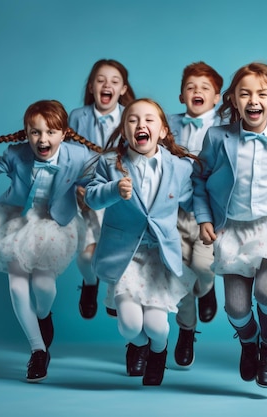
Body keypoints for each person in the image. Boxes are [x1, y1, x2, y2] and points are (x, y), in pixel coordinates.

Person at [192, 62, 267, 388]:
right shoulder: (218, 138)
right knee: (235, 308)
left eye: (261, 94)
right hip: (233, 229)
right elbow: (199, 180)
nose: (253, 100)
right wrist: (204, 218)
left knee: (265, 291)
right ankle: (249, 342)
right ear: (233, 99)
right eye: (244, 93)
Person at [0, 100, 100, 382]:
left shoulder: (78, 156)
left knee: (43, 288)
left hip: (53, 225)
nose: (43, 139)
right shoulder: (17, 153)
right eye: (35, 133)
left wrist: (96, 191)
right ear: (27, 134)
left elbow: (95, 183)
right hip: (17, 221)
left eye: (51, 132)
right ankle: (38, 351)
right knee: (17, 287)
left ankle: (43, 315)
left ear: (64, 133)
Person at [84, 98, 198, 386]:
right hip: (125, 256)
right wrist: (113, 189)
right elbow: (92, 196)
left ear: (162, 131)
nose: (141, 124)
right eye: (133, 120)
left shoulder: (179, 167)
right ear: (124, 130)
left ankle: (158, 353)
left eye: (149, 119)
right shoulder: (110, 163)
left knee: (157, 326)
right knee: (130, 325)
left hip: (159, 256)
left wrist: (211, 224)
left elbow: (194, 202)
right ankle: (138, 345)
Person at [69, 59, 136, 319]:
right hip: (87, 197)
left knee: (121, 252)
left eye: (114, 81)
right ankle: (90, 283)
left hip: (120, 196)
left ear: (122, 89)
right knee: (87, 258)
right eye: (100, 80)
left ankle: (113, 296)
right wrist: (76, 187)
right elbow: (68, 157)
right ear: (91, 86)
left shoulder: (132, 116)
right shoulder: (77, 117)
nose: (107, 85)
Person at [166, 62, 223, 368]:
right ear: (180, 96)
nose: (197, 91)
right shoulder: (166, 125)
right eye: (190, 87)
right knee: (180, 275)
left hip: (208, 214)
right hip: (173, 213)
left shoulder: (228, 125)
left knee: (202, 265)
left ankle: (209, 286)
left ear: (217, 97)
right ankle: (186, 332)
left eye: (205, 88)